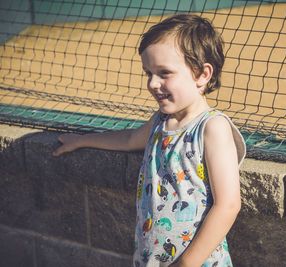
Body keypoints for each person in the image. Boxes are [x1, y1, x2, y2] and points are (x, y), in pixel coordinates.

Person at [53, 14, 246, 267]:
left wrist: (187, 263)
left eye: (164, 73)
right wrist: (83, 140)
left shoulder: (212, 127)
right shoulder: (160, 121)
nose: (153, 84)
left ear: (202, 74)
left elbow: (229, 204)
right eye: (149, 73)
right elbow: (131, 139)